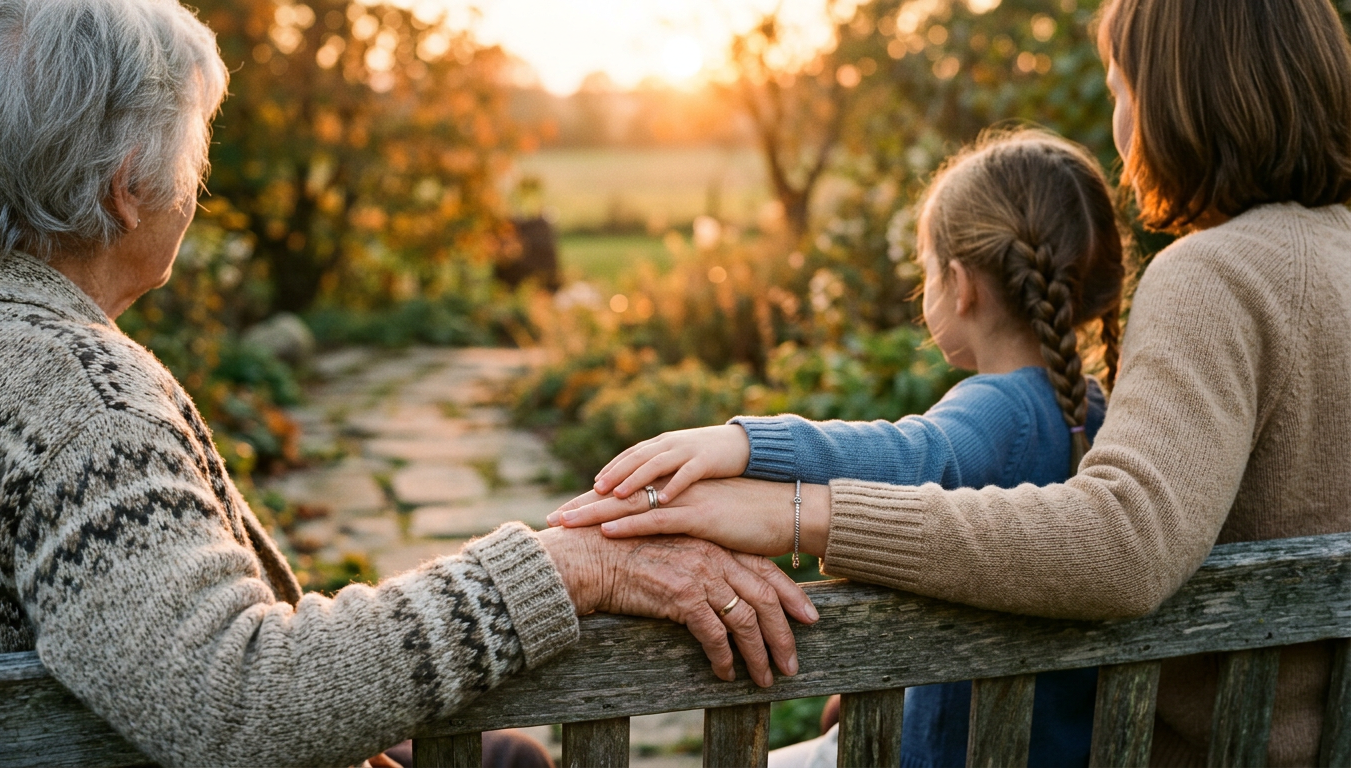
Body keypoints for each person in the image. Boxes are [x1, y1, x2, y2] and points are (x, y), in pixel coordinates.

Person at [0, 2, 819, 767]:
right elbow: (238, 702)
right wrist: (571, 568)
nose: (196, 184)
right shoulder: (80, 403)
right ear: (130, 190)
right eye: (196, 151)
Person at [550, 0, 1351, 764]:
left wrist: (786, 498)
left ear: (1176, 97)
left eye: (1120, 90)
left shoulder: (1216, 275)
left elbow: (1123, 544)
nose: (1120, 126)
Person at [554, 128, 1125, 768]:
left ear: (960, 286)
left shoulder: (1006, 411)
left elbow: (917, 457)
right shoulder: (1101, 417)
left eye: (927, 268)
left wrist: (742, 444)